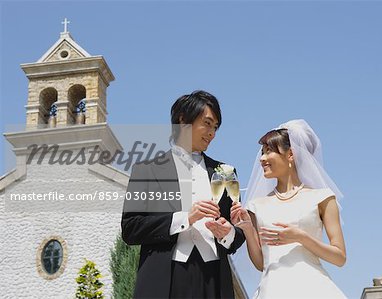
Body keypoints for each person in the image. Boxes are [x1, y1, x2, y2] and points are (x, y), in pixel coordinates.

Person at [122, 90, 246, 299]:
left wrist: (228, 233)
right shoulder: (146, 170)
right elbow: (131, 228)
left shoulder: (226, 172)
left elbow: (239, 229)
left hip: (215, 280)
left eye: (215, 127)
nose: (212, 133)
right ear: (183, 120)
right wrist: (185, 218)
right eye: (207, 123)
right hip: (166, 279)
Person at [231, 119, 347, 299]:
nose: (262, 159)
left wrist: (300, 237)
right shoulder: (256, 206)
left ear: (291, 154)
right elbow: (262, 263)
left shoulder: (322, 198)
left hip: (314, 288)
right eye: (262, 153)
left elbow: (339, 258)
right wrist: (247, 229)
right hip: (272, 290)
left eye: (268, 152)